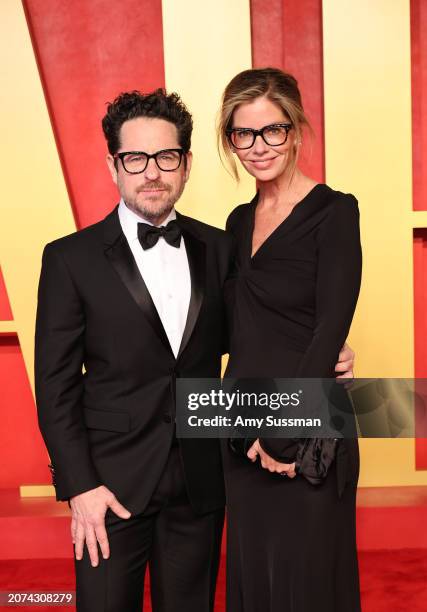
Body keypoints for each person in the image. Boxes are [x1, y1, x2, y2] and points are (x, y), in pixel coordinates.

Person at [35, 88, 355, 612]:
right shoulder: (70, 259)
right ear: (113, 164)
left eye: (166, 157)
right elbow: (55, 383)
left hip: (203, 481)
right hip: (110, 487)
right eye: (135, 158)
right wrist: (80, 486)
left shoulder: (221, 245)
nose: (152, 173)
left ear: (186, 165)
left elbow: (252, 336)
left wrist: (327, 356)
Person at [218, 68, 362, 611]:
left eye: (272, 130)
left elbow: (330, 326)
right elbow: (234, 332)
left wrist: (282, 432)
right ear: (230, 140)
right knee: (255, 581)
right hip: (242, 426)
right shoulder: (235, 223)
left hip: (309, 430)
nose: (259, 146)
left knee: (307, 585)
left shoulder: (335, 212)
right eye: (244, 134)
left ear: (297, 128)